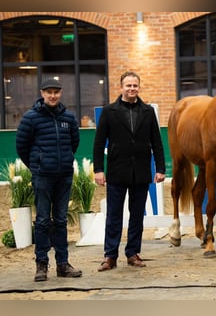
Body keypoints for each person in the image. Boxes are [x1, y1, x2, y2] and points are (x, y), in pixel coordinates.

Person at [93, 71, 166, 272]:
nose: (132, 89)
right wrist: (98, 169)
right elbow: (99, 143)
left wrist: (160, 168)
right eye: (128, 86)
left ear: (138, 87)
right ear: (121, 87)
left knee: (137, 216)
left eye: (135, 86)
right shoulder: (109, 112)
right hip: (116, 172)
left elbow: (157, 143)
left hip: (141, 172)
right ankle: (110, 256)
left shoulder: (148, 112)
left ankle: (133, 253)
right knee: (114, 216)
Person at [16, 78, 82, 282]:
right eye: (49, 92)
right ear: (42, 93)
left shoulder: (69, 118)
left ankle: (63, 264)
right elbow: (22, 146)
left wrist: (65, 162)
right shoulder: (30, 118)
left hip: (64, 177)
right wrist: (37, 165)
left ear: (60, 93)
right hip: (42, 177)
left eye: (56, 92)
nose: (52, 95)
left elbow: (74, 143)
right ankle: (41, 265)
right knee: (43, 221)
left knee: (61, 221)